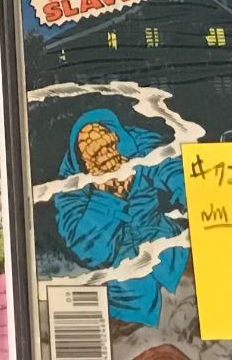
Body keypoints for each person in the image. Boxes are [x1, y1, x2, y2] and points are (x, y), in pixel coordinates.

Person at [50, 109, 189, 326]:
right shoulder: (70, 182)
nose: (106, 158)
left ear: (116, 140)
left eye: (108, 147)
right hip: (123, 284)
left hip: (169, 250)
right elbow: (90, 250)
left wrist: (189, 196)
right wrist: (107, 198)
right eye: (96, 155)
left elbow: (173, 169)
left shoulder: (139, 143)